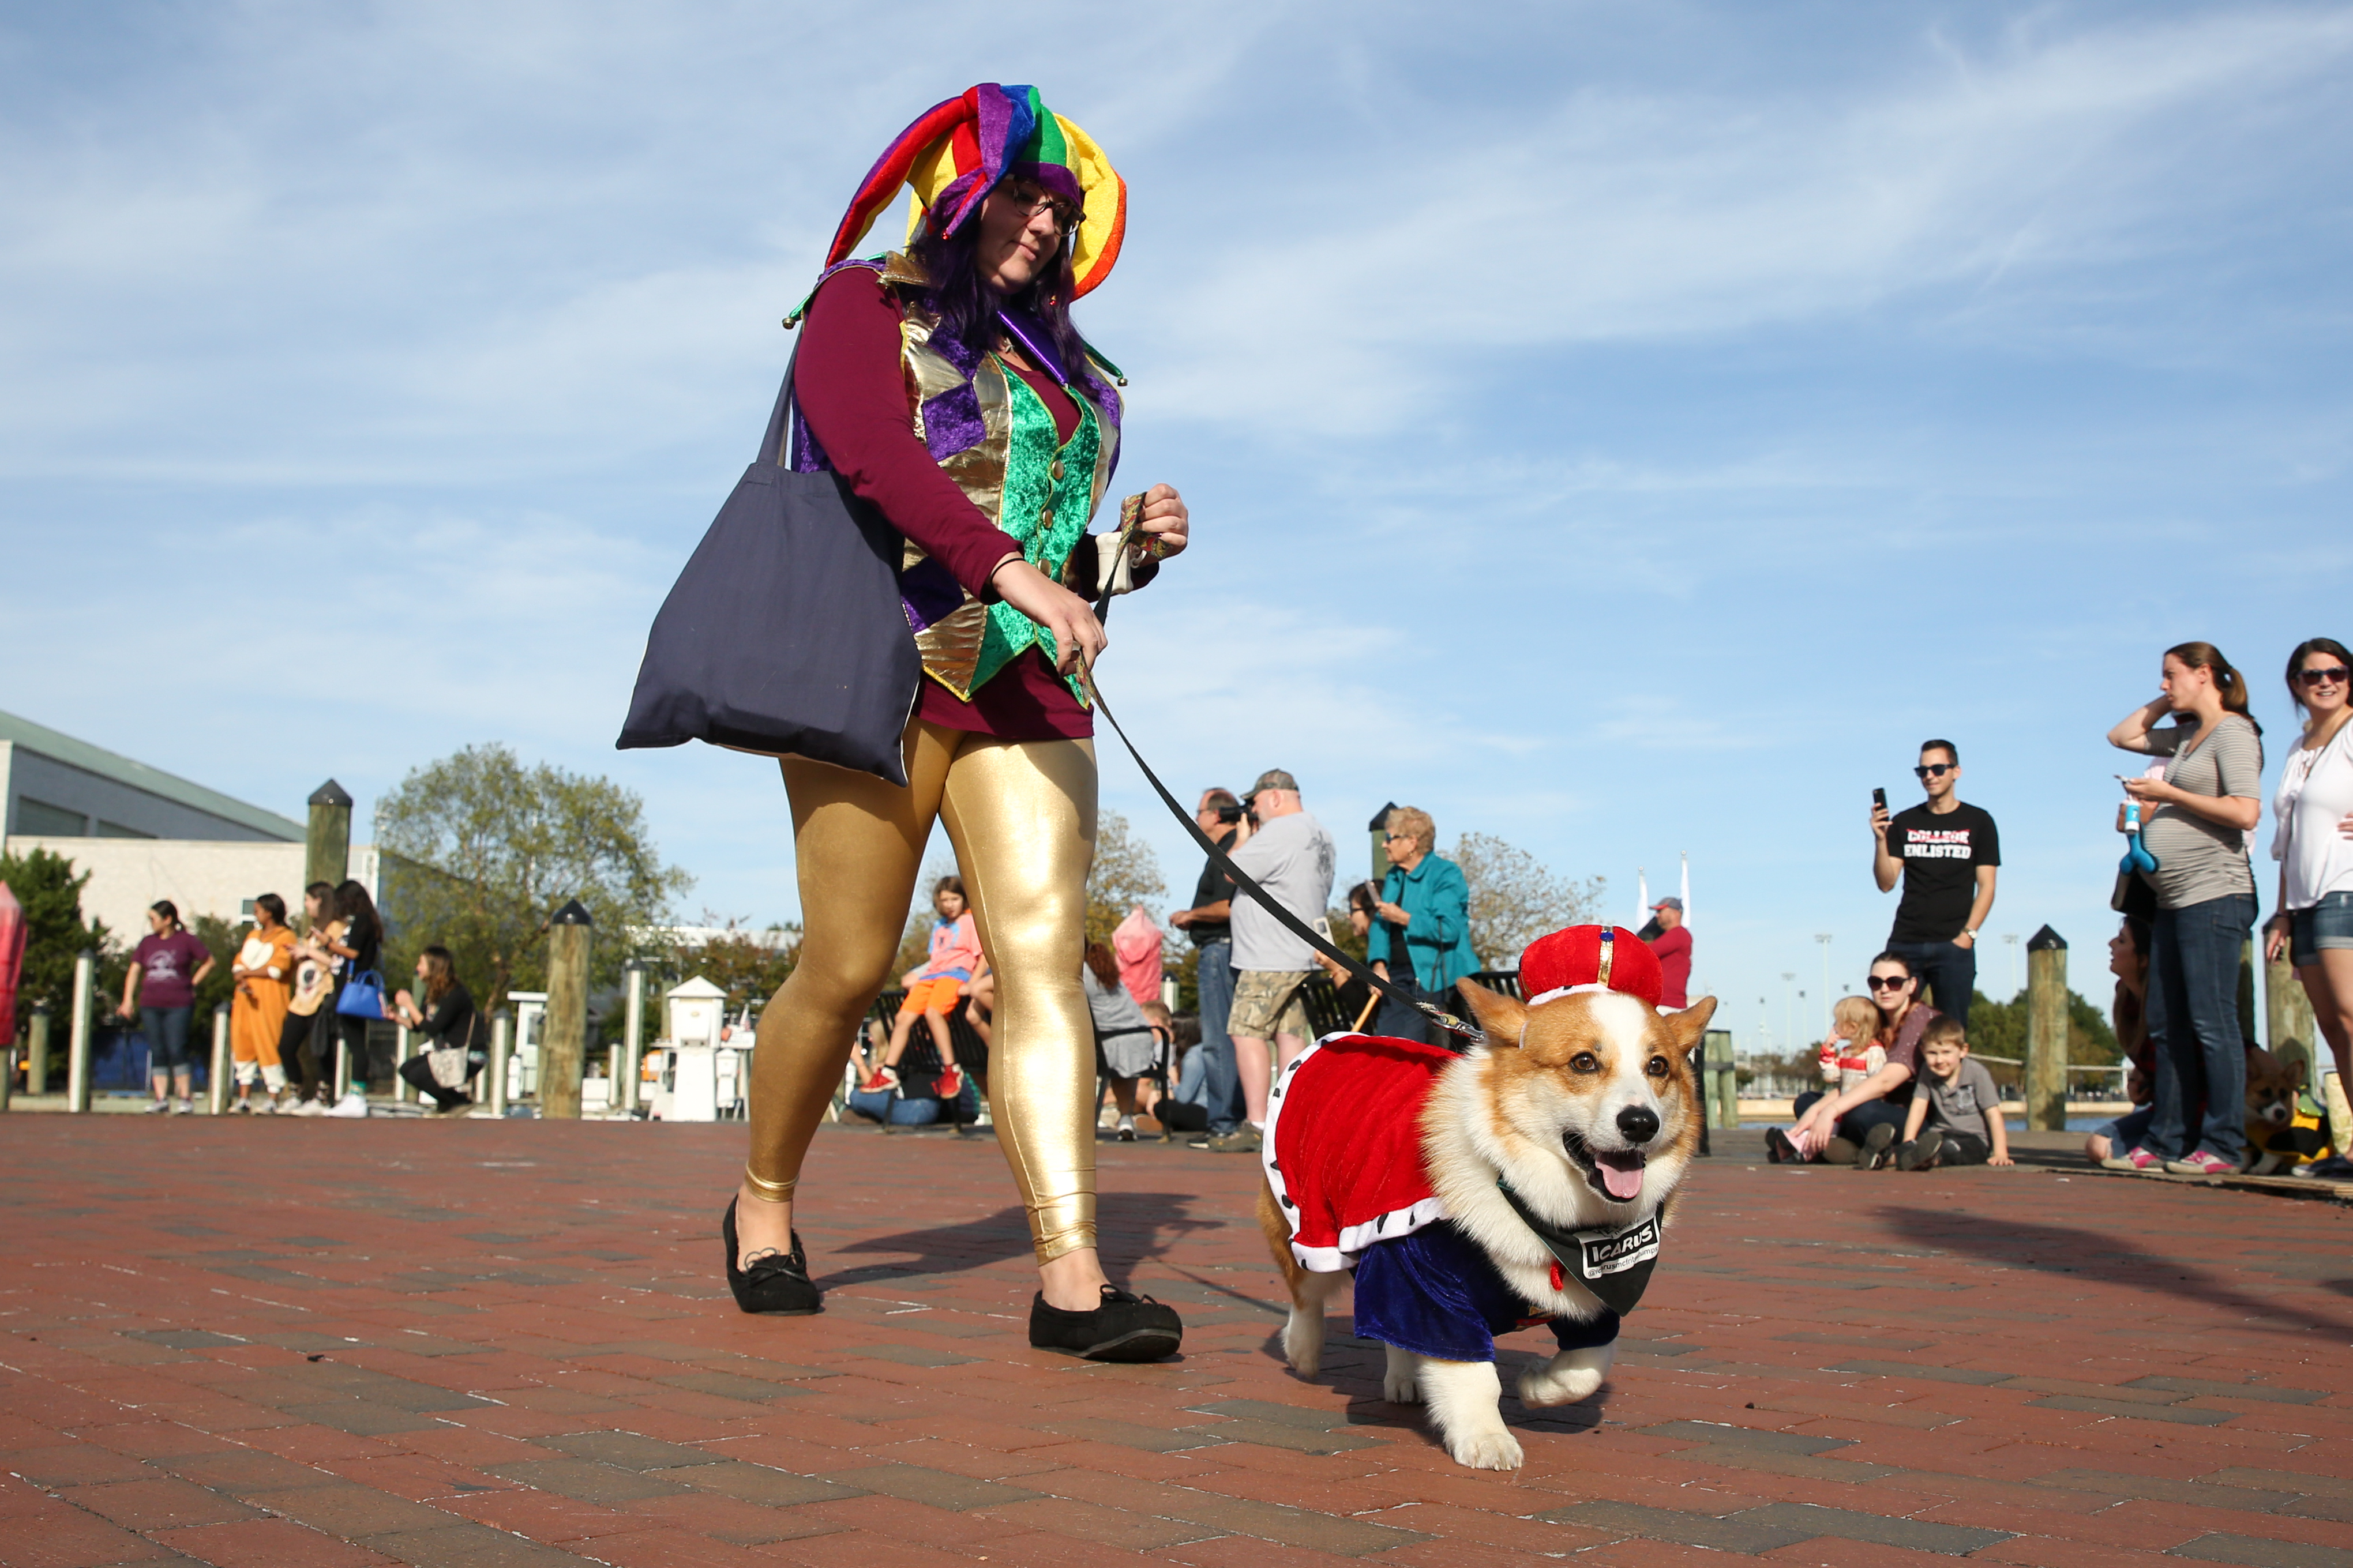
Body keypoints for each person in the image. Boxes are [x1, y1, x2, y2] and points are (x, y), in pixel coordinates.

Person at [694, 85, 1191, 1360]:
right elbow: (873, 456)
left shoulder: (1076, 371)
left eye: (1059, 206)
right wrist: (1010, 568)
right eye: (1022, 193)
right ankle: (761, 1204)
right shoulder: (864, 302)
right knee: (849, 962)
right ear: (967, 190)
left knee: (1039, 965)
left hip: (1027, 687)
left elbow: (1049, 550)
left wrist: (1118, 559)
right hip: (883, 665)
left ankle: (1072, 1280)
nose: (1041, 222)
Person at [2106, 641, 2264, 1175]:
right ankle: (2167, 1137)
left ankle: (2221, 1142)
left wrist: (2166, 794)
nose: (2162, 684)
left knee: (2211, 1022)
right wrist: (2167, 702)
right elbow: (2121, 736)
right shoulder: (2188, 738)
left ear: (2204, 674)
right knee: (2166, 1021)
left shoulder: (2234, 732)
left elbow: (2243, 812)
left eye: (2170, 675)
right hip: (2171, 900)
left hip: (2215, 894)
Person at [2261, 638, 2353, 1179]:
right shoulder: (2299, 748)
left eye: (2337, 672)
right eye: (2312, 674)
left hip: (2346, 888)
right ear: (2295, 683)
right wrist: (2281, 913)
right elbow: (2288, 840)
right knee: (2333, 1030)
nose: (2325, 681)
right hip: (2304, 899)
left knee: (2351, 1016)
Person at [1213, 769, 1336, 1154]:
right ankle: (1288, 1120)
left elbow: (1229, 871)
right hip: (1302, 951)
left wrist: (1245, 836)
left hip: (1268, 955)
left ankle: (1256, 1122)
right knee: (1290, 1035)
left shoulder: (1279, 832)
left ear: (1276, 797)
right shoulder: (1320, 833)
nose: (1253, 809)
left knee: (1246, 1031)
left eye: (1255, 802)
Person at [1871, 740, 1999, 1028]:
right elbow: (1886, 883)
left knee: (1950, 1032)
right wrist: (1880, 840)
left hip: (1953, 945)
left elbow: (1987, 887)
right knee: (1894, 1030)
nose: (1930, 776)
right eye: (1923, 770)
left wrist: (1967, 937)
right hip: (1906, 941)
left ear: (1956, 772)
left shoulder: (1979, 821)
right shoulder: (1904, 822)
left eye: (1938, 769)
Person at [1771, 951, 1938, 1164]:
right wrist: (1819, 1108)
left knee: (1860, 1111)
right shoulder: (1877, 1020)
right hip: (1874, 1108)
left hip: (1914, 1119)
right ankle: (1847, 1149)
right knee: (1807, 1102)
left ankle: (1829, 1146)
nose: (1884, 989)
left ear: (1912, 985)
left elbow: (1885, 1082)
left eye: (1894, 982)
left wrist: (1832, 1110)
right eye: (1876, 982)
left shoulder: (1921, 1020)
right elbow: (1853, 1082)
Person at [1168, 788, 1246, 1140]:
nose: (1196, 818)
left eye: (1199, 811)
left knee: (1219, 1039)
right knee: (1231, 1038)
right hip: (1227, 949)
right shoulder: (1227, 848)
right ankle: (1229, 1119)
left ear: (1215, 815)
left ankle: (1224, 1123)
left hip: (1219, 948)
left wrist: (1191, 915)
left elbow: (1229, 907)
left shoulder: (1230, 850)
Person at [1365, 806, 1478, 1044]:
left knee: (1412, 1049)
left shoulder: (1445, 874)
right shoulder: (1395, 876)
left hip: (1433, 980)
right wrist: (1378, 965)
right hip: (1396, 978)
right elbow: (1379, 925)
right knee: (1385, 1046)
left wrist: (1404, 918)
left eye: (1390, 838)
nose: (1385, 845)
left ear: (1412, 842)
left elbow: (1448, 930)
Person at [863, 878, 980, 1101]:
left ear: (963, 899)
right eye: (944, 900)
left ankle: (951, 1068)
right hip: (932, 975)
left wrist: (973, 982)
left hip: (956, 974)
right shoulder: (940, 925)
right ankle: (888, 1070)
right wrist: (917, 977)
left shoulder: (970, 921)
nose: (949, 904)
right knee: (903, 1018)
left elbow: (980, 955)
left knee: (933, 1013)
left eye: (954, 899)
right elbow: (935, 957)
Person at [118, 901, 214, 1115]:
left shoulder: (186, 941)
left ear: (168, 919)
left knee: (177, 1048)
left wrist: (193, 983)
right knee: (158, 1050)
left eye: (154, 919)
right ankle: (161, 1098)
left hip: (179, 1004)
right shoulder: (147, 943)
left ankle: (185, 1097)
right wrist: (127, 1000)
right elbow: (135, 970)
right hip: (150, 1004)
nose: (151, 924)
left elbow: (209, 961)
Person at [1892, 1016, 2013, 1171]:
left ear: (1963, 1051)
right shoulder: (1927, 1072)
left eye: (1946, 1052)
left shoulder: (1976, 1073)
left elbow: (1993, 1114)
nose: (1939, 1060)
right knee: (1924, 1144)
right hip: (1940, 1134)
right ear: (1923, 1051)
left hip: (1973, 1139)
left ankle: (1926, 1159)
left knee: (1951, 1150)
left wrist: (2000, 1152)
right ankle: (1888, 1156)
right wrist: (1908, 1141)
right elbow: (1918, 1108)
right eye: (1932, 1053)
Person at [2086, 915, 2155, 1165]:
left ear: (2144, 959)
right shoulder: (2126, 999)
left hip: (2185, 1115)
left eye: (2123, 940)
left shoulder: (2166, 1007)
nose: (2111, 944)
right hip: (2159, 1110)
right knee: (2100, 1147)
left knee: (2101, 1147)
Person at [320, 880, 385, 1118]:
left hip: (353, 987)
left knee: (356, 1042)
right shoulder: (366, 921)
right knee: (353, 1040)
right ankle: (355, 1091)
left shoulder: (362, 921)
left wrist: (330, 944)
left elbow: (354, 953)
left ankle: (358, 1093)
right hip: (351, 986)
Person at [391, 946, 483, 1112]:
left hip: (468, 1055)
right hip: (447, 1052)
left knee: (418, 1074)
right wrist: (397, 1018)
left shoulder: (455, 994)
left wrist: (409, 1005)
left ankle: (459, 1102)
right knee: (407, 1069)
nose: (417, 968)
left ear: (434, 967)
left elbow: (433, 1029)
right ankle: (447, 1103)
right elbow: (420, 1026)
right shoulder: (433, 993)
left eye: (421, 963)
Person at [228, 894, 296, 1113]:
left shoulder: (286, 936)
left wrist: (247, 973)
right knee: (243, 1042)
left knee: (269, 1043)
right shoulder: (253, 935)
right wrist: (242, 977)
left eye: (258, 910)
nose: (255, 913)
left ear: (269, 912)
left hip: (270, 1000)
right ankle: (244, 1097)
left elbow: (277, 969)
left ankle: (273, 1096)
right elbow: (239, 963)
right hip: (244, 999)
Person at [1083, 941, 1155, 1141]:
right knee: (1123, 1069)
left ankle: (1079, 1120)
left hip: (1110, 1039)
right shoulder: (1102, 968)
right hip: (1140, 1034)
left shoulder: (1077, 972)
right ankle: (1126, 1119)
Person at [278, 883, 339, 1115]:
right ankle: (296, 1092)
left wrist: (309, 952)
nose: (306, 905)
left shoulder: (336, 928)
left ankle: (323, 1095)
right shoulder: (311, 929)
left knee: (321, 1048)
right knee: (286, 1047)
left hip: (322, 995)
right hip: (302, 996)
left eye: (308, 900)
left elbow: (336, 962)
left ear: (320, 900)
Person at [1817, 995, 1886, 1095]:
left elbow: (1877, 1082)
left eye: (1838, 1022)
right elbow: (1830, 1077)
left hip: (1865, 1105)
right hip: (1846, 1105)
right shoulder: (1846, 1052)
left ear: (1853, 1027)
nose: (1834, 1026)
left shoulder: (1874, 1051)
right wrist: (1828, 1050)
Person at [1642, 896, 1692, 1010]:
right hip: (1664, 1004)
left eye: (1660, 911)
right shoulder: (1673, 936)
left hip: (1667, 1005)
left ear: (1674, 913)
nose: (1657, 915)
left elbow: (1646, 953)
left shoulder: (1679, 934)